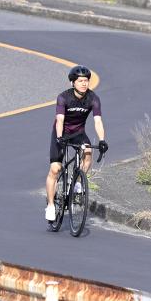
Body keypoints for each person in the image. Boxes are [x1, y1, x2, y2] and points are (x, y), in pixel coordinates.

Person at [45, 65, 108, 222]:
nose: (84, 84)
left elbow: (98, 121)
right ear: (73, 82)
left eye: (86, 81)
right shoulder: (63, 97)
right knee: (55, 169)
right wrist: (59, 137)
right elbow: (59, 119)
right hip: (62, 133)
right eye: (80, 81)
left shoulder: (93, 99)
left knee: (88, 154)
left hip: (79, 133)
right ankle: (51, 206)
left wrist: (101, 140)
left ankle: (78, 181)